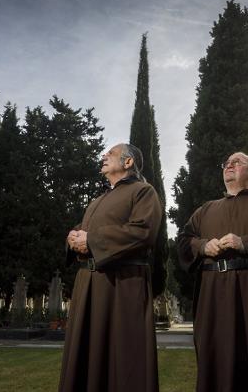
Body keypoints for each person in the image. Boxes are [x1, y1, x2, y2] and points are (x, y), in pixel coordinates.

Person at [178, 151, 248, 392]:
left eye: (237, 162)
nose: (229, 165)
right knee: (215, 362)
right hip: (213, 297)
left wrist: (245, 243)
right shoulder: (205, 210)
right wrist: (202, 246)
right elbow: (184, 241)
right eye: (226, 163)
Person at [59, 143, 162, 392]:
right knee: (84, 355)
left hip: (122, 285)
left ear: (128, 163)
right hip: (88, 285)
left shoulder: (143, 192)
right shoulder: (98, 200)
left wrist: (91, 240)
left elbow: (142, 232)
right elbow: (85, 232)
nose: (104, 156)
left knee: (122, 358)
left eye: (111, 153)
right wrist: (72, 239)